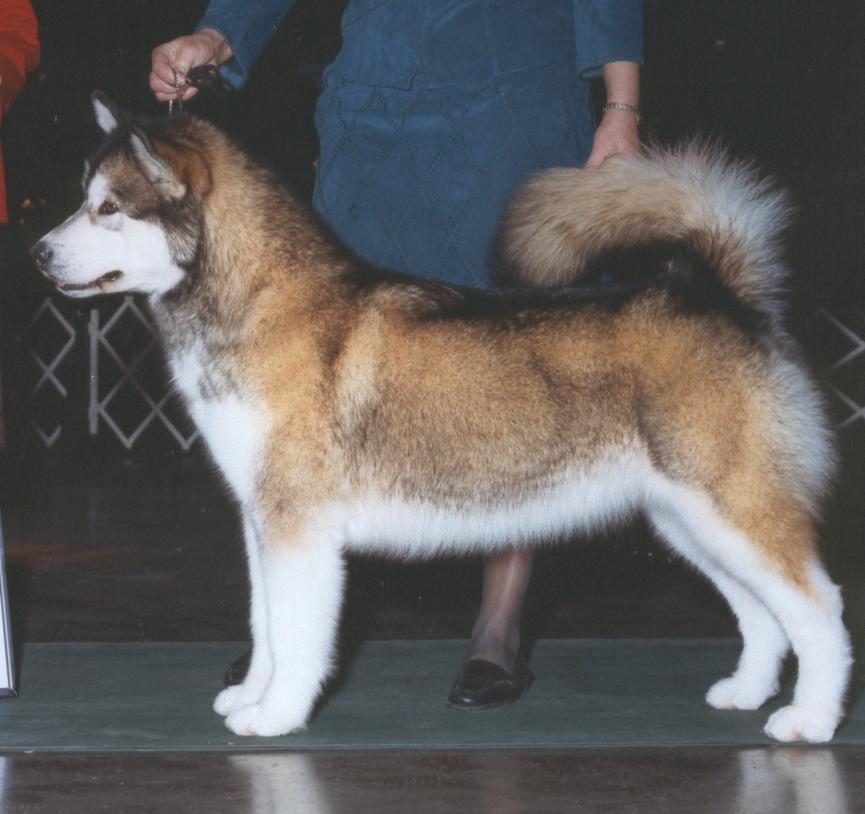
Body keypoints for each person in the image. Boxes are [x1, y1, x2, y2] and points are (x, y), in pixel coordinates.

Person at [150, 0, 642, 710]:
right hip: (370, 122)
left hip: (508, 111)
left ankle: (497, 628)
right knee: (326, 389)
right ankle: (296, 635)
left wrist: (620, 107)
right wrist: (216, 37)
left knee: (509, 375)